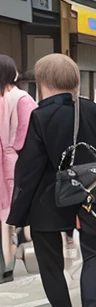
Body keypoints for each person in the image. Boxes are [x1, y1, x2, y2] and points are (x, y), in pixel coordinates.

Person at [7, 54, 96, 307]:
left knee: (51, 263)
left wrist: (17, 216)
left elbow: (29, 169)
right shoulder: (93, 110)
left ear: (42, 83)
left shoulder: (40, 116)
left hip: (49, 200)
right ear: (75, 80)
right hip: (94, 193)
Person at [0, 55, 36, 283]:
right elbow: (28, 134)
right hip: (16, 166)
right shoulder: (22, 99)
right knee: (15, 216)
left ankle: (6, 264)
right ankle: (10, 261)